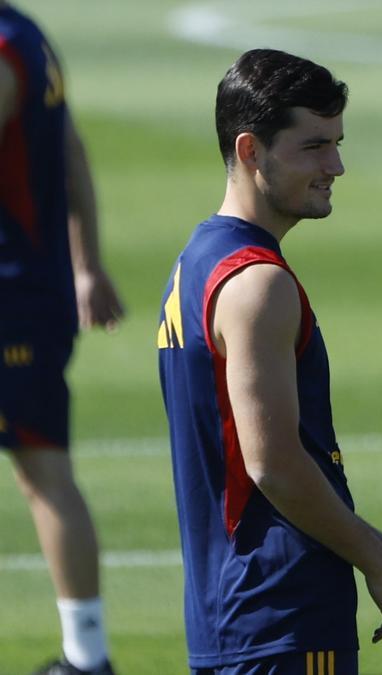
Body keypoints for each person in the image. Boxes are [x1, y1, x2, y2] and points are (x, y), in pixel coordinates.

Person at [156, 48, 382, 674]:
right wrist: (373, 564)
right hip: (279, 617)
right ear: (251, 150)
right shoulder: (258, 283)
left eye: (337, 143)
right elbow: (274, 465)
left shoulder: (196, 262)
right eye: (314, 146)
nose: (336, 165)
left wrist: (372, 543)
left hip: (230, 615)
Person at [0, 3, 124, 674]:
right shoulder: (26, 34)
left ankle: (88, 657)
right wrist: (86, 263)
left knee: (46, 473)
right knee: (45, 471)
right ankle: (88, 656)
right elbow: (70, 147)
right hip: (35, 289)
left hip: (11, 295)